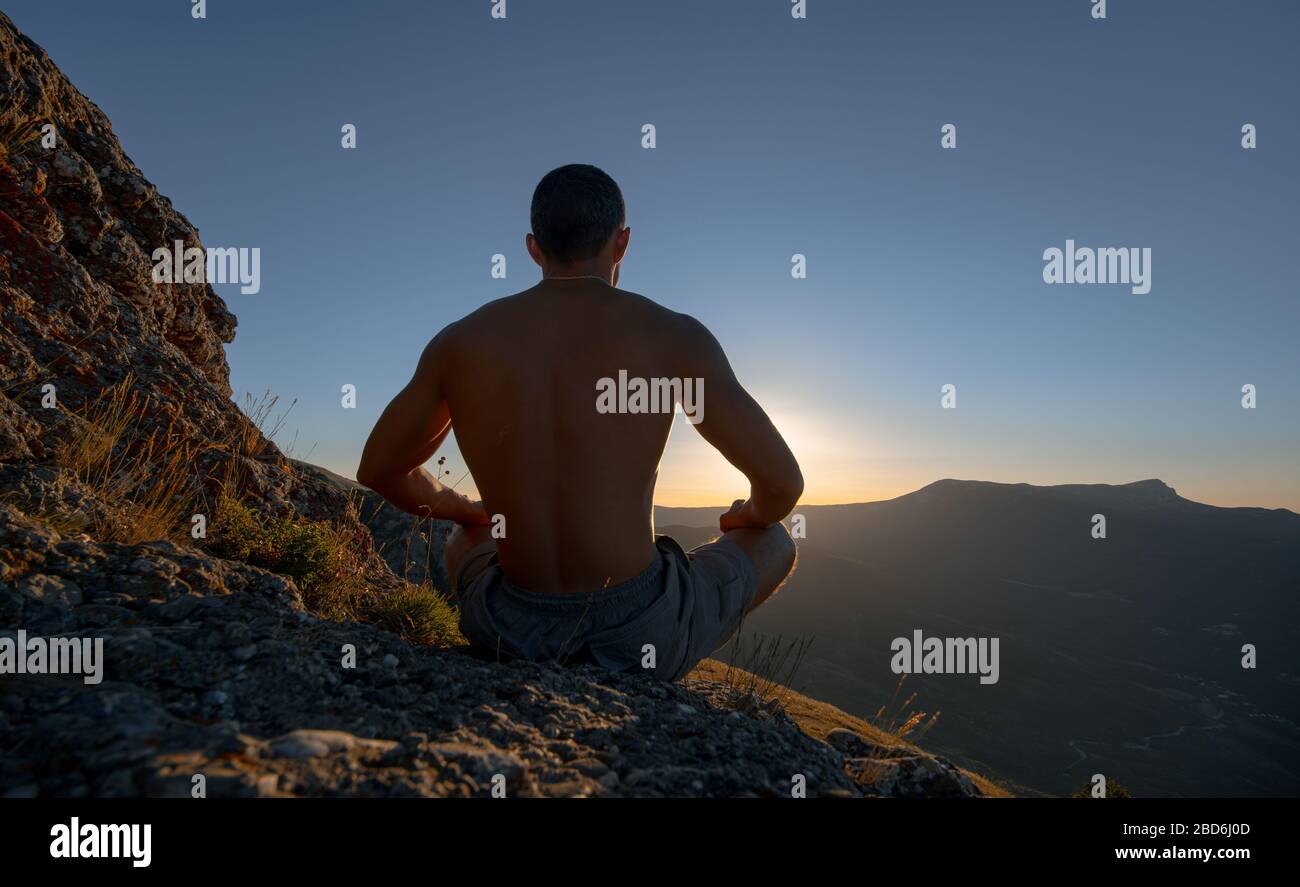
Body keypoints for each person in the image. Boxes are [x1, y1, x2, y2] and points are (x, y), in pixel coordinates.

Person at [357, 164, 802, 680]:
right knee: (777, 541)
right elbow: (783, 483)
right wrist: (747, 515)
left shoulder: (460, 342)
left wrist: (467, 508)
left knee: (464, 539)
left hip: (506, 625)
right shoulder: (673, 336)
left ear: (532, 247)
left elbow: (380, 468)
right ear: (622, 242)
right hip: (638, 633)